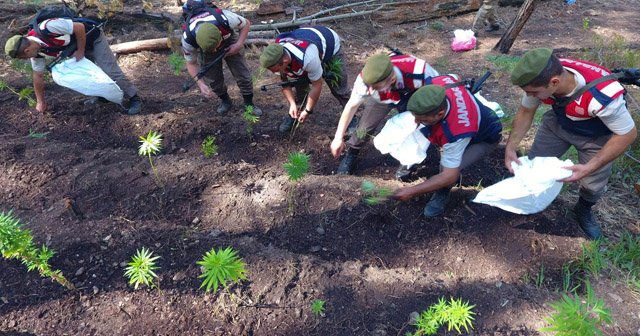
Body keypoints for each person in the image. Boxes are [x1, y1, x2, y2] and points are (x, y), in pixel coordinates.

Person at [506, 48, 637, 240]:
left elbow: (627, 134)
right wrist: (511, 146)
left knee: (592, 184)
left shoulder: (602, 97)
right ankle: (531, 197)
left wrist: (589, 167)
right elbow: (526, 112)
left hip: (596, 136)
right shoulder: (542, 75)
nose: (531, 96)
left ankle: (583, 209)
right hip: (559, 123)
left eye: (534, 93)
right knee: (534, 164)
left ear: (554, 83)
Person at [392, 80, 502, 217]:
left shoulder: (456, 133)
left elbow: (449, 176)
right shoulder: (438, 82)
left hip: (484, 139)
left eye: (421, 119)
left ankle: (442, 192)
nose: (416, 121)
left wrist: (412, 191)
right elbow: (454, 77)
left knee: (447, 168)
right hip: (471, 123)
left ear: (439, 114)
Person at [330, 52, 439, 177]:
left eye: (374, 87)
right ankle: (352, 152)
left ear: (392, 79)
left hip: (415, 95)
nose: (368, 91)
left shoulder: (420, 72)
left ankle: (407, 163)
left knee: (417, 127)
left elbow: (437, 96)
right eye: (368, 86)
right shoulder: (367, 79)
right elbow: (351, 106)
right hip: (383, 97)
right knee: (364, 128)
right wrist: (338, 137)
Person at [4, 17, 142, 115]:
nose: (27, 59)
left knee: (110, 70)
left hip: (93, 38)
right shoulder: (37, 53)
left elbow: (79, 27)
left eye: (24, 57)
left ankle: (134, 98)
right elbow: (38, 76)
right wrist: (40, 102)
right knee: (88, 75)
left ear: (26, 51)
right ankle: (103, 96)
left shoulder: (47, 27)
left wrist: (81, 51)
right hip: (76, 47)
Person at [259, 26, 350, 133]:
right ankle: (296, 111)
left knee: (339, 87)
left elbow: (317, 85)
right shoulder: (276, 54)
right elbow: (285, 83)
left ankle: (351, 117)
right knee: (298, 81)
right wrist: (292, 104)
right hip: (306, 44)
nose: (275, 73)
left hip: (329, 45)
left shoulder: (308, 58)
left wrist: (308, 110)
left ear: (284, 61)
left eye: (276, 69)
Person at [182, 3, 262, 115]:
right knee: (213, 79)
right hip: (206, 51)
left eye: (216, 47)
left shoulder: (225, 18)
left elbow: (246, 23)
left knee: (242, 73)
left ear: (219, 34)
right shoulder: (188, 38)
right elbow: (191, 63)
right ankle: (225, 101)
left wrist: (238, 44)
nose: (216, 51)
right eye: (213, 49)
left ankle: (249, 103)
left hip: (229, 40)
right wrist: (201, 84)